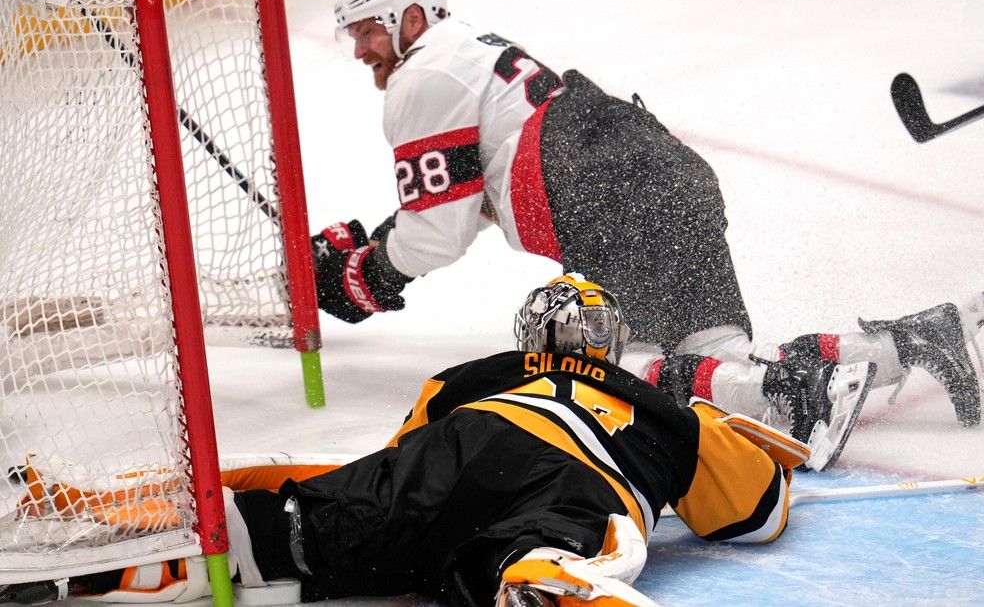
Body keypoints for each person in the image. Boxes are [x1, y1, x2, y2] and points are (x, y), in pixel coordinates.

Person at [310, 0, 984, 465]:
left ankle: (802, 393)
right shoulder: (463, 52)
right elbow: (460, 193)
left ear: (410, 16)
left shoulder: (419, 76)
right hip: (657, 171)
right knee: (716, 367)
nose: (361, 50)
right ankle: (916, 340)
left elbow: (437, 235)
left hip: (606, 194)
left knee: (597, 379)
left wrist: (365, 274)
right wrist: (379, 244)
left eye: (368, 31)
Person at [3, 276, 810, 606]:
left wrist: (275, 485)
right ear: (612, 344)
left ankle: (106, 573)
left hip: (459, 445)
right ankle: (546, 573)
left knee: (312, 529)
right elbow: (757, 516)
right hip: (576, 485)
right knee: (536, 550)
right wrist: (740, 448)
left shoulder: (469, 376)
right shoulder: (662, 410)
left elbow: (395, 476)